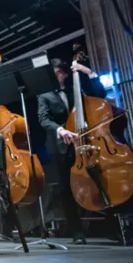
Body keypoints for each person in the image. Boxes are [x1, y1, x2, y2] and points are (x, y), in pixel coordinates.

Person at [37, 58, 106, 244]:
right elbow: (43, 119)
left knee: (99, 180)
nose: (56, 77)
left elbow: (100, 94)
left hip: (86, 141)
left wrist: (87, 71)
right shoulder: (44, 95)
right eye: (53, 73)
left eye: (59, 73)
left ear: (65, 74)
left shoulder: (75, 88)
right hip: (60, 146)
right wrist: (61, 129)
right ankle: (77, 232)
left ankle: (110, 226)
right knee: (66, 189)